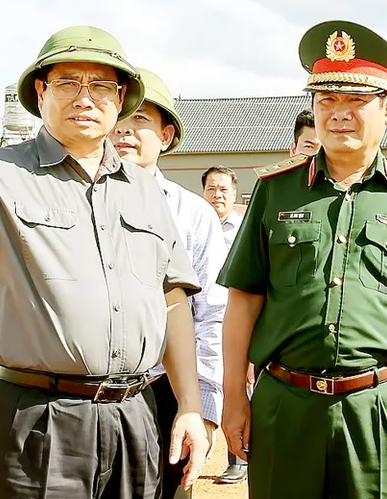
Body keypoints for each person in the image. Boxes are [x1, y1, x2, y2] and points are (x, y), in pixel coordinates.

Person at [0, 25, 210, 498]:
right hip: (36, 419)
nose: (84, 98)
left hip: (133, 415)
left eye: (101, 86)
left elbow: (172, 302)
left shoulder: (145, 189)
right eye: (68, 82)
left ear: (121, 98)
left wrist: (190, 405)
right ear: (41, 91)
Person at [219, 20, 387, 499]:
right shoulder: (274, 191)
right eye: (327, 100)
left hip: (380, 407)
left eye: (355, 100)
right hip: (284, 404)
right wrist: (233, 397)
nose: (339, 114)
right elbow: (244, 299)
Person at [111, 68, 228, 499]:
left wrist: (204, 409)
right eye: (118, 117)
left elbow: (212, 315)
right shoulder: (73, 199)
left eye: (140, 119)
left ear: (166, 135)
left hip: (166, 391)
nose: (124, 130)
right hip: (87, 395)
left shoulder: (193, 214)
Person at [199, 165, 250, 484]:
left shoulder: (244, 229)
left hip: (236, 317)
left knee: (241, 384)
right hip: (202, 317)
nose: (217, 195)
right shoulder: (193, 223)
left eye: (223, 190)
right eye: (211, 189)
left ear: (234, 194)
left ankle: (238, 458)